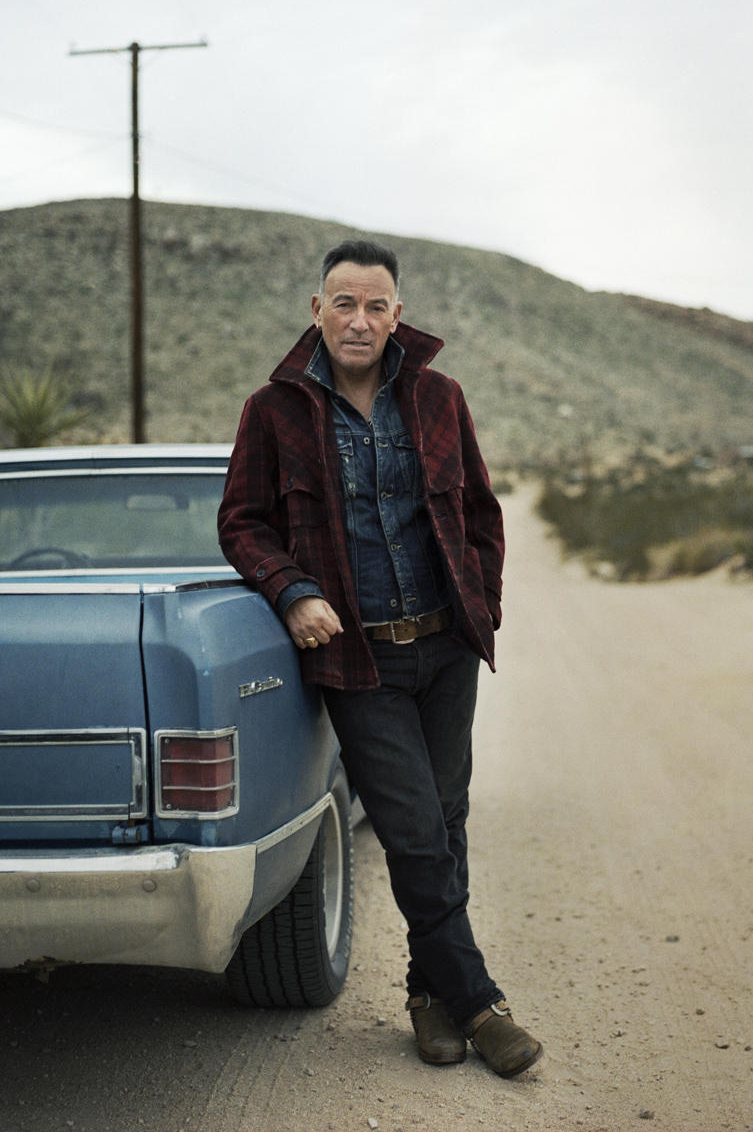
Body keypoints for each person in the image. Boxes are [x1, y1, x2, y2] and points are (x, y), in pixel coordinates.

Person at [217, 239, 543, 1078]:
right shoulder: (274, 411)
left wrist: (483, 607)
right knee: (412, 831)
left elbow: (479, 513)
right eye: (343, 303)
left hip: (445, 648)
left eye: (375, 306)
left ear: (397, 315)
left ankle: (428, 996)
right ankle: (480, 1001)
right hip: (359, 662)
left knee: (448, 819)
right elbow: (242, 524)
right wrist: (292, 591)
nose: (358, 320)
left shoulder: (438, 399)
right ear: (316, 311)